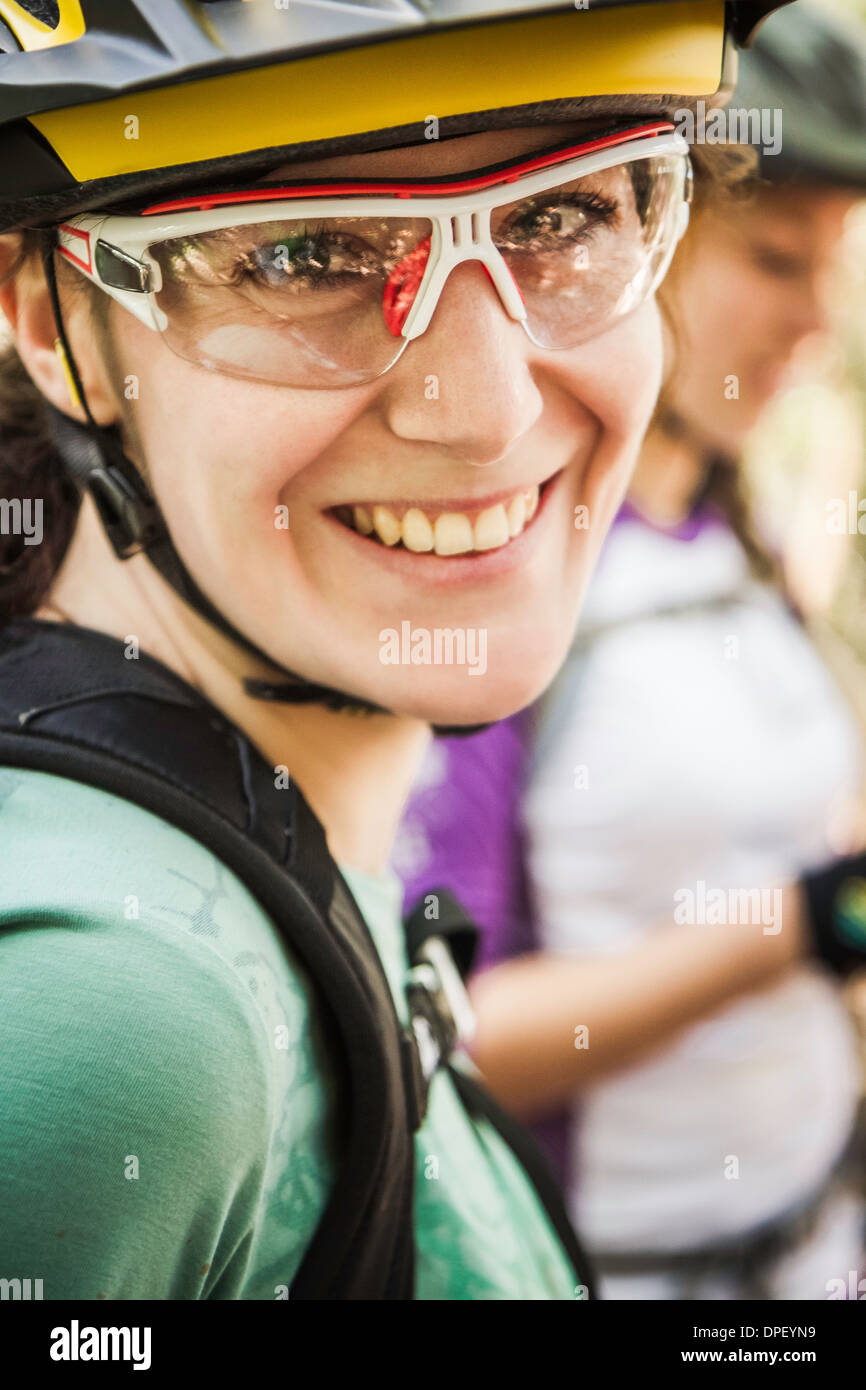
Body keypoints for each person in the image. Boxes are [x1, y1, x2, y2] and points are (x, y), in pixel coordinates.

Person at [0, 0, 781, 1301]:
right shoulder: (116, 1008)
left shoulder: (232, 869)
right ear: (52, 325)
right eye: (303, 257)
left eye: (564, 214)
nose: (486, 410)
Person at [394, 0, 866, 1300]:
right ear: (639, 250)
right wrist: (794, 927)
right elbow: (434, 1040)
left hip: (810, 1240)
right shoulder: (506, 566)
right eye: (774, 260)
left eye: (837, 261)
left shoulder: (733, 522)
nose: (817, 318)